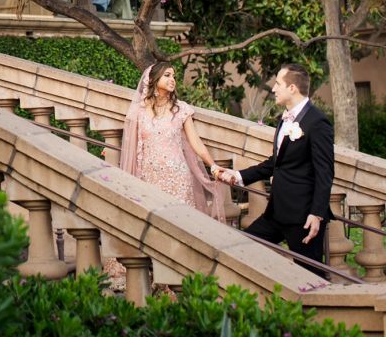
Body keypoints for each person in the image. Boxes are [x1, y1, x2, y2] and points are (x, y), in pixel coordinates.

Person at [217, 63, 334, 273]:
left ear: (292, 88)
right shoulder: (285, 119)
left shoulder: (317, 122)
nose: (273, 89)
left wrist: (316, 214)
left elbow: (325, 173)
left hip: (303, 217)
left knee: (312, 277)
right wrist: (239, 175)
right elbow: (276, 163)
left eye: (278, 83)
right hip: (276, 212)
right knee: (242, 247)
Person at [119, 62, 225, 220]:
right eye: (167, 75)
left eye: (174, 76)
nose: (173, 79)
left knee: (181, 221)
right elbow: (131, 145)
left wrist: (213, 165)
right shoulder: (139, 110)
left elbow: (196, 143)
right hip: (149, 178)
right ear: (154, 79)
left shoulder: (181, 109)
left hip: (178, 177)